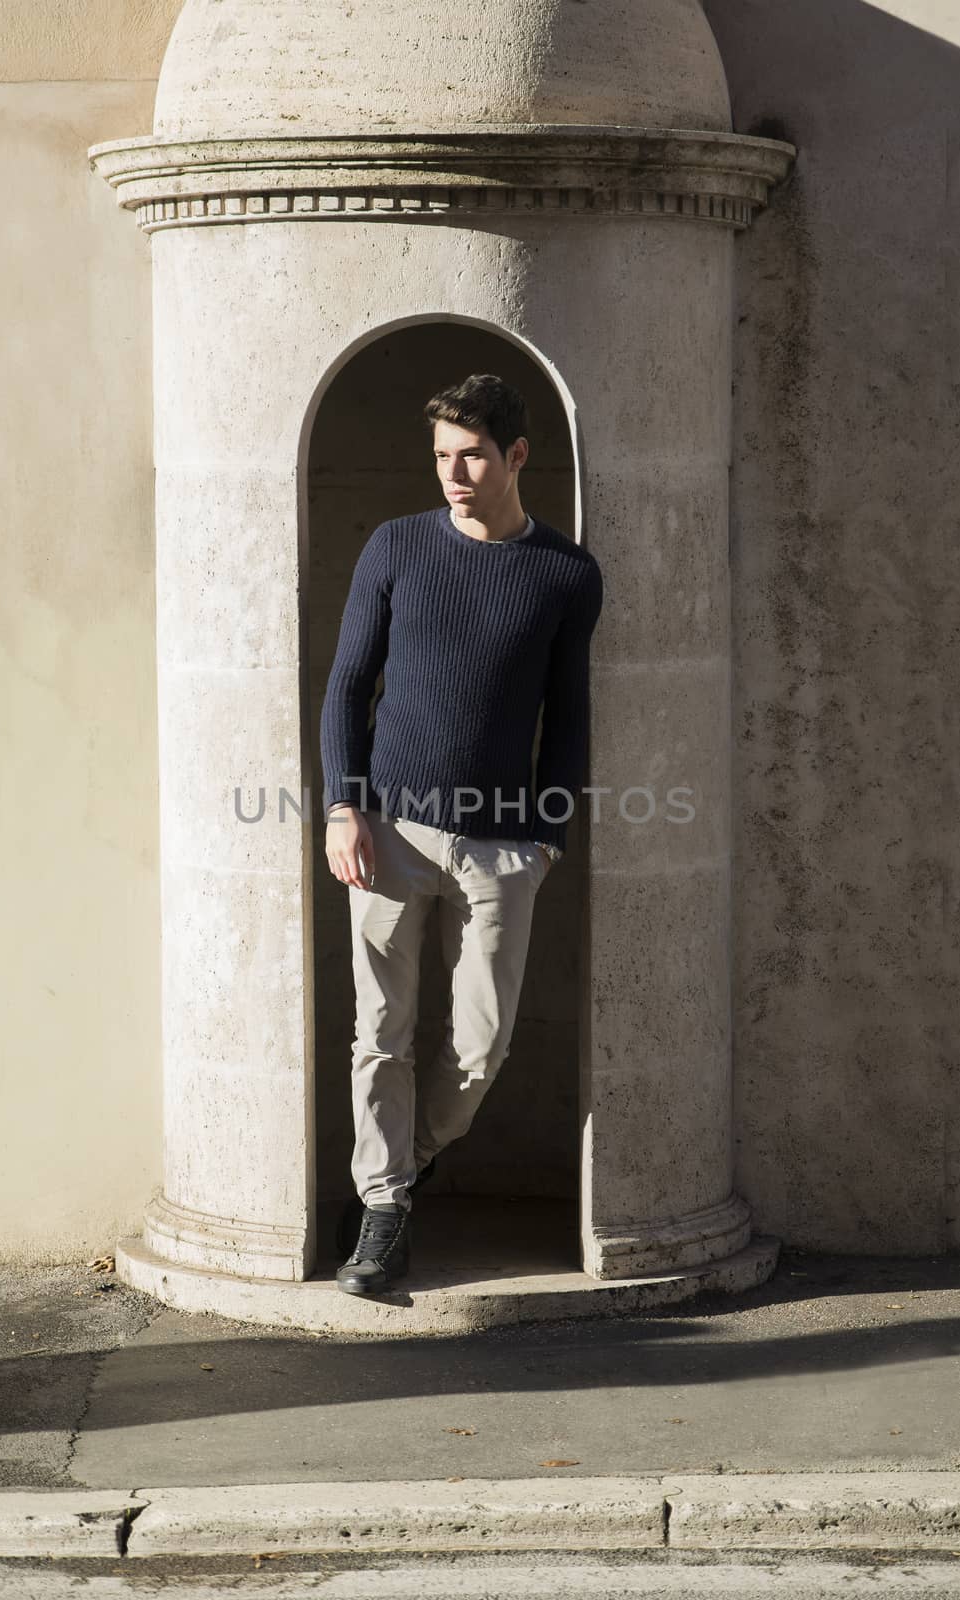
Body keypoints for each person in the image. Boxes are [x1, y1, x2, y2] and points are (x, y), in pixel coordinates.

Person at [319, 373, 603, 1296]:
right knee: (380, 1033)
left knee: (480, 1046)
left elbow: (566, 718)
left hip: (501, 846)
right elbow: (346, 688)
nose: (454, 473)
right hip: (389, 835)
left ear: (517, 455)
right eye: (442, 456)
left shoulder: (564, 573)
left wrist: (545, 837)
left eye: (472, 454)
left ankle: (410, 1157)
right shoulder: (396, 547)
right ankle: (387, 1206)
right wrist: (342, 806)